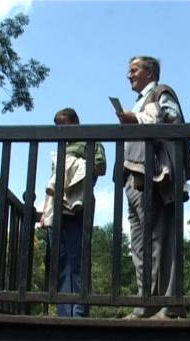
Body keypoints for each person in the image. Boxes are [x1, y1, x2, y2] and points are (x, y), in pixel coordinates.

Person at [116, 56, 190, 319]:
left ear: (150, 72)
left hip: (155, 178)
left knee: (159, 241)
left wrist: (135, 118)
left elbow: (172, 122)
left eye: (134, 70)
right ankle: (146, 303)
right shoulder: (140, 100)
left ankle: (170, 305)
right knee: (139, 247)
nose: (129, 75)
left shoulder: (162, 93)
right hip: (133, 177)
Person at [40, 108, 106, 318]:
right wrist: (45, 210)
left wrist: (74, 167)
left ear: (76, 122)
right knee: (59, 260)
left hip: (80, 204)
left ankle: (78, 312)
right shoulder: (61, 146)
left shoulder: (90, 141)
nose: (61, 130)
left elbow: (100, 167)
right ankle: (63, 312)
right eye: (57, 127)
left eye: (64, 126)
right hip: (57, 206)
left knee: (78, 260)